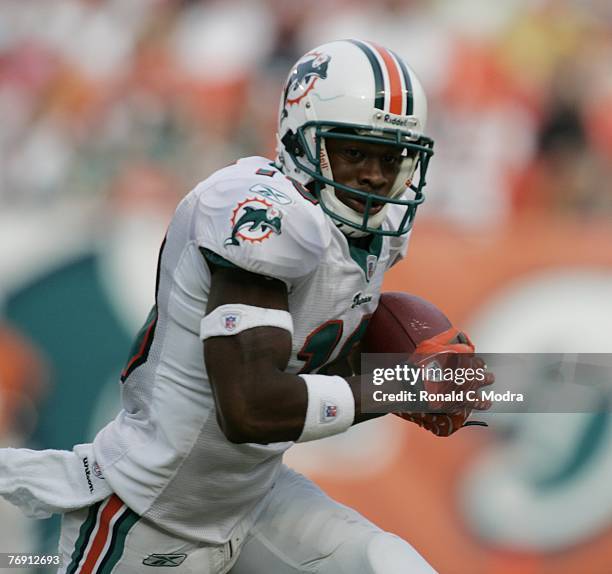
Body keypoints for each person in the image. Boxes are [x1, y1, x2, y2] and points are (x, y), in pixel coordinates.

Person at [0, 39, 491, 573]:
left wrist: (423, 373)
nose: (375, 175)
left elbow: (304, 361)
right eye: (354, 152)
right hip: (154, 510)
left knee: (389, 564)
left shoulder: (374, 239)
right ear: (300, 140)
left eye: (392, 157)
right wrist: (395, 384)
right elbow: (250, 406)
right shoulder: (262, 212)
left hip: (255, 499)